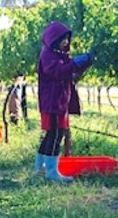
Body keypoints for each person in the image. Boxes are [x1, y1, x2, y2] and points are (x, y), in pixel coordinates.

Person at [34, 21, 93, 182]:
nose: (66, 42)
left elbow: (70, 72)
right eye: (63, 39)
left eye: (67, 39)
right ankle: (51, 172)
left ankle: (39, 169)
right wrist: (76, 63)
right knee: (55, 134)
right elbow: (59, 71)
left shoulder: (58, 54)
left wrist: (82, 64)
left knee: (51, 134)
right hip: (52, 102)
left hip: (57, 101)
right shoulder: (48, 55)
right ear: (54, 38)